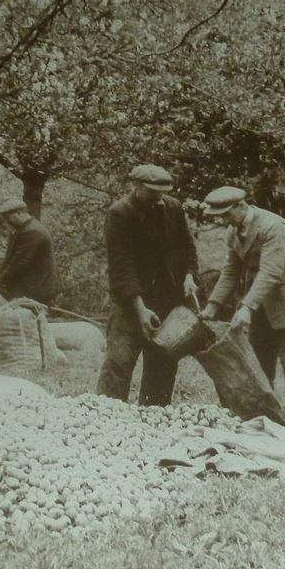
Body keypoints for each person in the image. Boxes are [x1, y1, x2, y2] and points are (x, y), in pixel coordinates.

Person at [200, 186, 285, 430]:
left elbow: (271, 272)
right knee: (257, 366)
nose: (222, 220)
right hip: (261, 308)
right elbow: (231, 271)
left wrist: (245, 308)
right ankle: (267, 421)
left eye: (225, 214)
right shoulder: (233, 233)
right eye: (218, 215)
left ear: (241, 206)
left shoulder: (275, 227)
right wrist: (212, 307)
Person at [95, 164, 200, 406]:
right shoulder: (120, 213)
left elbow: (188, 247)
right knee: (118, 363)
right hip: (131, 302)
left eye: (162, 192)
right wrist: (140, 309)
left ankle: (153, 418)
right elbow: (122, 266)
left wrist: (189, 276)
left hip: (167, 299)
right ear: (137, 186)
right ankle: (106, 416)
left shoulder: (173, 207)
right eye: (153, 192)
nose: (158, 197)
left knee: (163, 364)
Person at [0, 198, 59, 304]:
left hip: (38, 287)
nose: (7, 221)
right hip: (30, 284)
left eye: (8, 217)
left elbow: (19, 262)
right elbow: (9, 258)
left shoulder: (32, 231)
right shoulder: (22, 229)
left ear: (19, 213)